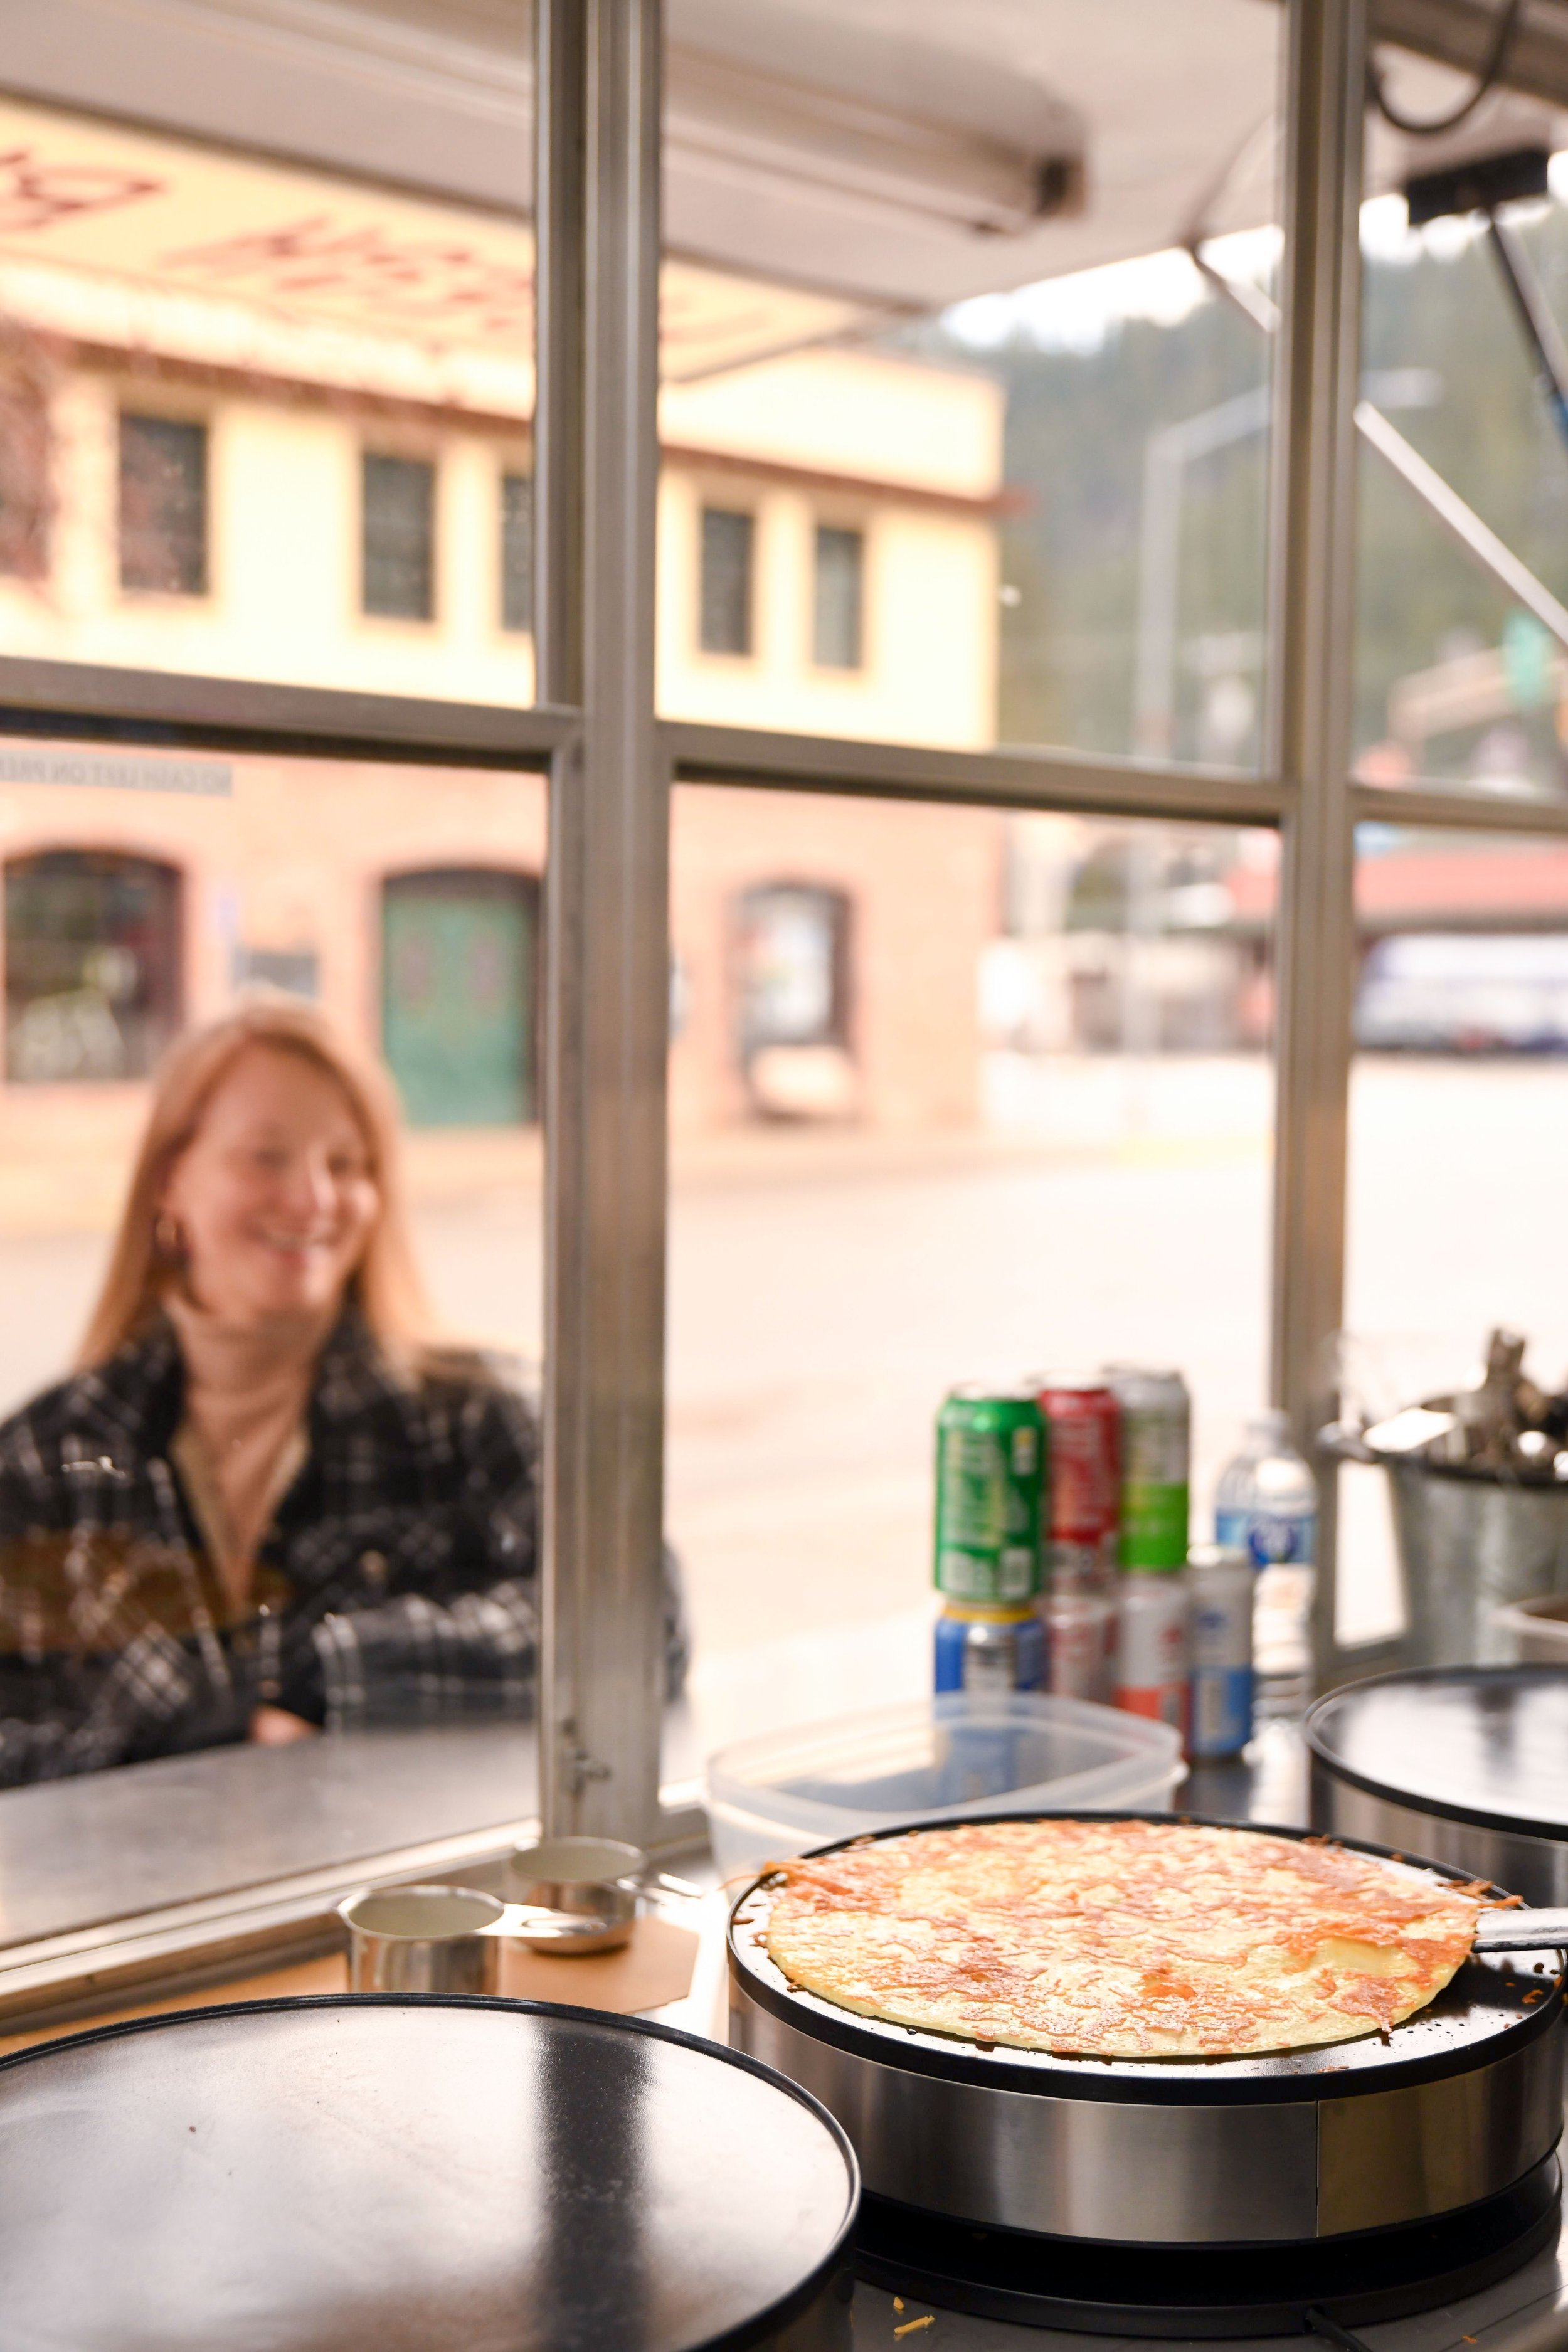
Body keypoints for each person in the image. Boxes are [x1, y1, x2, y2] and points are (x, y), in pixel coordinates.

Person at [0, 999, 686, 1784]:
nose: (316, 1200)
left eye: (348, 1165)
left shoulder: (469, 1418)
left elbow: (639, 1619)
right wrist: (178, 1742)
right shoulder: (43, 1457)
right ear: (169, 1181)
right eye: (267, 1157)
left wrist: (323, 1672)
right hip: (143, 1905)